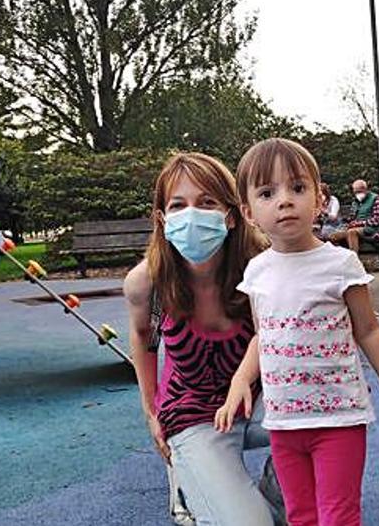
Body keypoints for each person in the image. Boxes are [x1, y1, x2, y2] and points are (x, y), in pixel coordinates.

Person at [216, 138, 379, 526]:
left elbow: (370, 331)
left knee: (338, 517)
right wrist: (241, 379)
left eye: (297, 188)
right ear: (248, 211)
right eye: (267, 192)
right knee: (301, 516)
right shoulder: (257, 272)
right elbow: (263, 335)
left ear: (320, 199)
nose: (285, 200)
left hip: (338, 418)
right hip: (284, 422)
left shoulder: (341, 264)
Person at [123, 152, 282, 525]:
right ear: (162, 219)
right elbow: (143, 336)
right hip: (193, 409)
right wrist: (151, 411)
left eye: (207, 202)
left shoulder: (262, 266)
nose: (192, 214)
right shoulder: (148, 283)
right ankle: (191, 481)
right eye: (178, 205)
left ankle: (275, 494)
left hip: (259, 400)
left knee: (325, 415)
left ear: (230, 215)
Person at [328, 180, 379, 253]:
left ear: (365, 189)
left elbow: (378, 219)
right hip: (355, 227)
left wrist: (361, 223)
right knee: (333, 236)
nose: (357, 194)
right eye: (355, 192)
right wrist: (347, 222)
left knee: (351, 232)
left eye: (359, 191)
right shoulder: (355, 202)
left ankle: (354, 259)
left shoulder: (375, 199)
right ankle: (340, 258)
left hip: (370, 228)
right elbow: (351, 217)